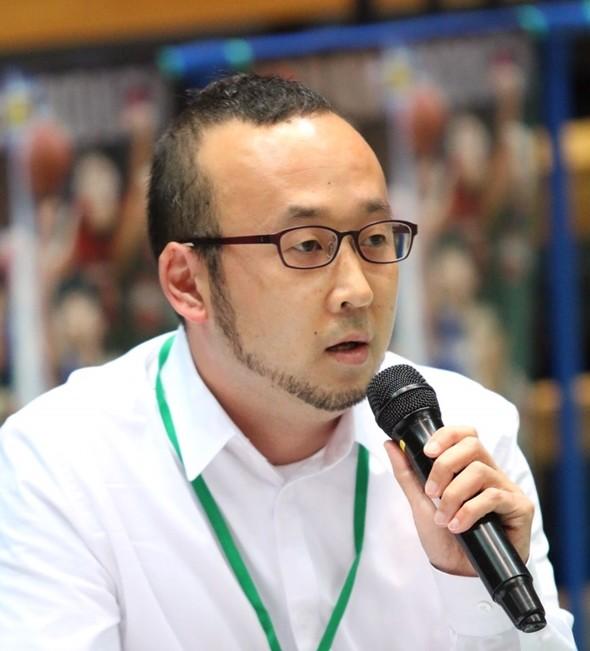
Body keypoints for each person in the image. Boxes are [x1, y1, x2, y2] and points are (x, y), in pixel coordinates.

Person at [0, 73, 576, 650]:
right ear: (187, 282)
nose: (358, 291)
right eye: (305, 246)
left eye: (375, 239)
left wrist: (475, 595)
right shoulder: (61, 466)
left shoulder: (465, 440)